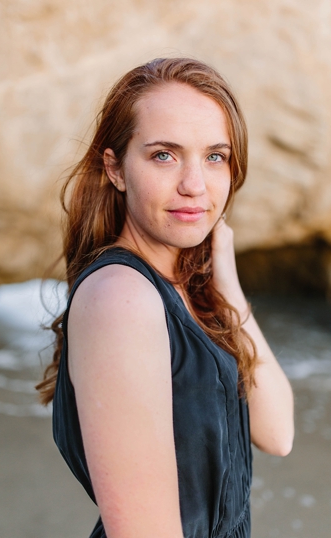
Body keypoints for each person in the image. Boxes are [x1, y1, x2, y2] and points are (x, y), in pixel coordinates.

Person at [35, 58, 294, 538]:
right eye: (164, 155)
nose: (195, 185)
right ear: (115, 168)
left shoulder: (185, 287)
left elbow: (277, 432)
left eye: (215, 156)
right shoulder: (122, 298)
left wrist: (228, 286)